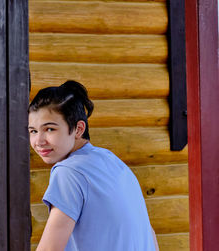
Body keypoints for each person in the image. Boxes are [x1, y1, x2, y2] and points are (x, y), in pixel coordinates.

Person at [28, 80, 159, 251]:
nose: (39, 141)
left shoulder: (69, 172)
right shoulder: (112, 161)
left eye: (50, 129)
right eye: (33, 131)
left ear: (78, 129)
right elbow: (150, 235)